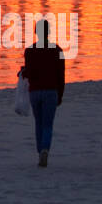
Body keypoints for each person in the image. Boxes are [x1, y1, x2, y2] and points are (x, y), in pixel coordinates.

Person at [22, 19, 65, 167]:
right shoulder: (58, 51)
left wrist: (23, 72)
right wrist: (61, 94)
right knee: (48, 124)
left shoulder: (29, 51)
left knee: (38, 123)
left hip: (35, 91)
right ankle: (45, 149)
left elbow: (29, 72)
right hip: (51, 90)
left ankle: (40, 149)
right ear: (49, 32)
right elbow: (61, 75)